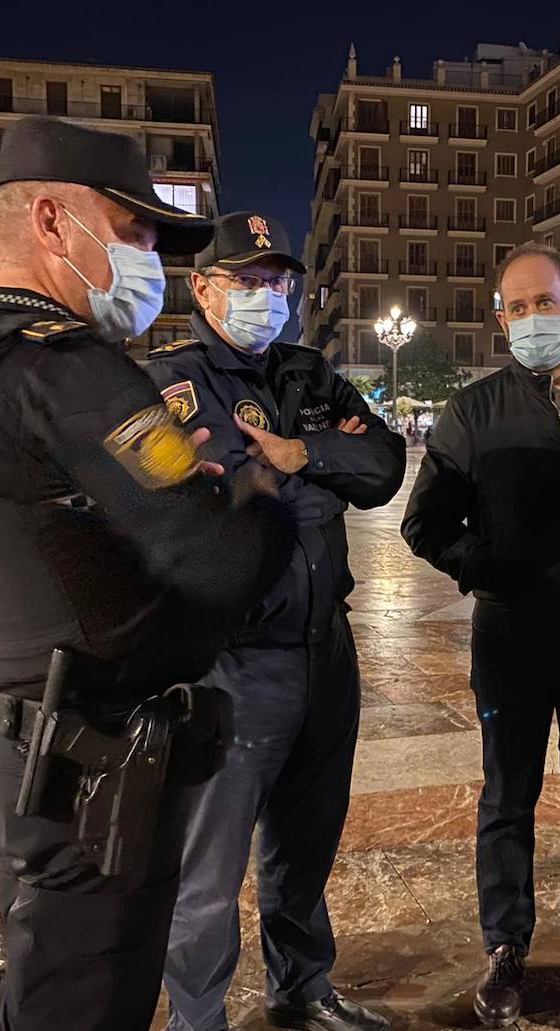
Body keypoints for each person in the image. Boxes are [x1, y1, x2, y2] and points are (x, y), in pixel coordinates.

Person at [0, 117, 297, 1031]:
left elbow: (28, 527)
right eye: (136, 231)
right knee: (86, 996)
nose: (146, 254)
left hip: (13, 747)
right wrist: (262, 493)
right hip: (99, 769)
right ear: (56, 222)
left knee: (40, 977)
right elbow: (222, 561)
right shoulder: (68, 371)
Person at [145, 211, 405, 1031]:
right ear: (204, 287)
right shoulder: (175, 381)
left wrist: (296, 456)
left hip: (327, 647)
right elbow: (227, 497)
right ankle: (200, 1017)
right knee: (210, 864)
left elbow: (387, 465)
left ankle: (302, 985)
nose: (268, 295)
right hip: (236, 659)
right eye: (248, 280)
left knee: (309, 832)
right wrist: (317, 462)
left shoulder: (308, 371)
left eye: (277, 281)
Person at [402, 242, 560, 1028]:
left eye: (546, 301)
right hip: (510, 640)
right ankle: (506, 944)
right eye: (518, 305)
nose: (533, 316)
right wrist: (487, 569)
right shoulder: (474, 411)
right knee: (509, 795)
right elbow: (423, 522)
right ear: (501, 318)